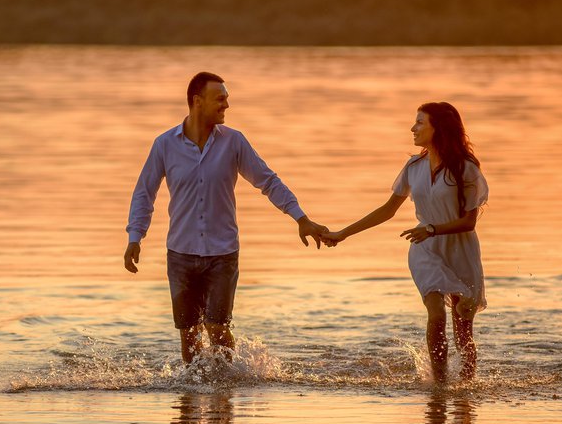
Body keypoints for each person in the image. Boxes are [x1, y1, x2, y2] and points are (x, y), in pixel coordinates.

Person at [124, 72, 327, 364]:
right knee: (189, 336)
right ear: (198, 101)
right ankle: (190, 405)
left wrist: (301, 218)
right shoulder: (164, 144)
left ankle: (225, 398)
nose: (226, 106)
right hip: (180, 254)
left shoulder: (234, 142)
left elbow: (268, 182)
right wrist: (135, 237)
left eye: (226, 99)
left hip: (222, 254)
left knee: (218, 328)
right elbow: (145, 193)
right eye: (220, 99)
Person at [322, 102, 488, 384]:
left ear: (439, 128)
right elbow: (387, 210)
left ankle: (466, 392)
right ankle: (440, 385)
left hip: (459, 248)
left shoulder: (466, 169)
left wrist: (433, 229)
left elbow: (469, 222)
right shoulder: (414, 166)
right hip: (425, 248)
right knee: (436, 315)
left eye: (420, 122)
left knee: (463, 330)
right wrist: (343, 233)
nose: (413, 128)